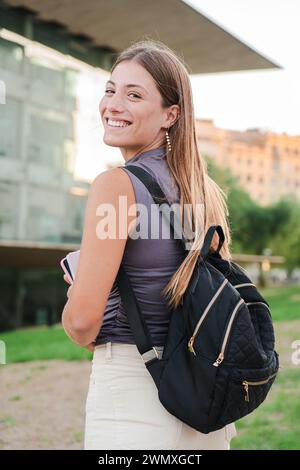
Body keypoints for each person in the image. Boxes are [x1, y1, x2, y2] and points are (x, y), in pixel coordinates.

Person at [62, 39, 237, 450]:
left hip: (134, 395)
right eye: (111, 90)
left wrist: (77, 300)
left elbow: (84, 322)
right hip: (200, 396)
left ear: (169, 115)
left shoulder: (116, 186)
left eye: (134, 94)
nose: (113, 104)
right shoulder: (202, 190)